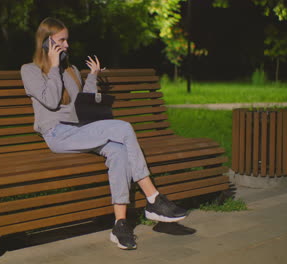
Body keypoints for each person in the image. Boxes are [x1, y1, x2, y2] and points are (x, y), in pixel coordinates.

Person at [20, 17, 187, 250]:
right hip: (58, 135)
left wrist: (92, 77)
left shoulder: (72, 71)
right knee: (124, 127)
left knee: (118, 151)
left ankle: (120, 224)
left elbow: (83, 104)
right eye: (62, 40)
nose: (67, 45)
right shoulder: (30, 71)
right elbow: (49, 100)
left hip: (80, 130)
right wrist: (54, 66)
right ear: (47, 42)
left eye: (67, 40)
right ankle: (153, 198)